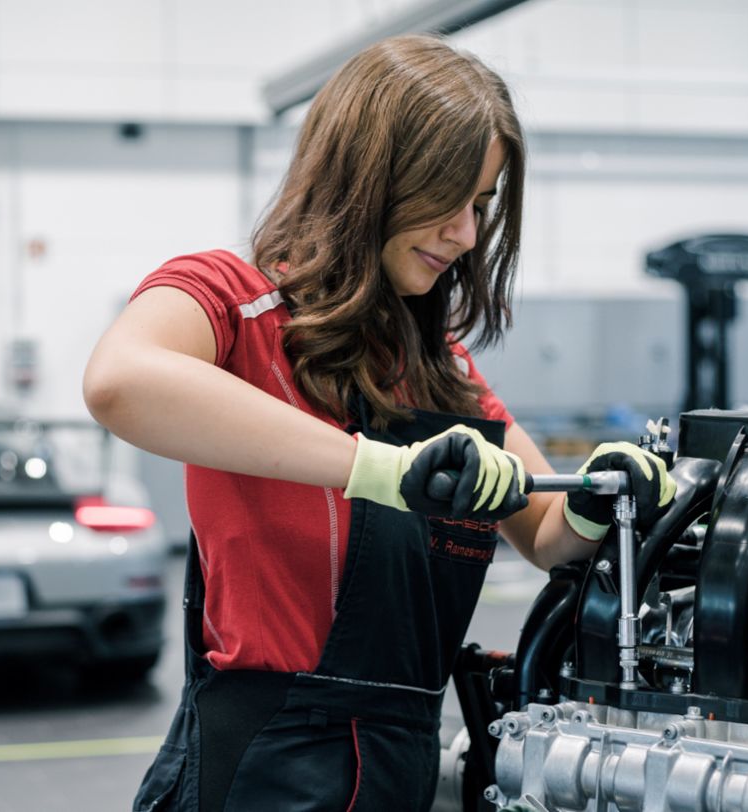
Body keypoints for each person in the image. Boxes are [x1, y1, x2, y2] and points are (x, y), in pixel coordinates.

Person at [84, 34, 674, 812]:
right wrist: (378, 468)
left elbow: (543, 533)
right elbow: (120, 382)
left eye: (481, 205)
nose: (467, 235)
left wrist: (599, 497)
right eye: (448, 198)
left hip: (401, 761)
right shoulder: (234, 301)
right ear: (371, 177)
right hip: (261, 767)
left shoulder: (438, 365)